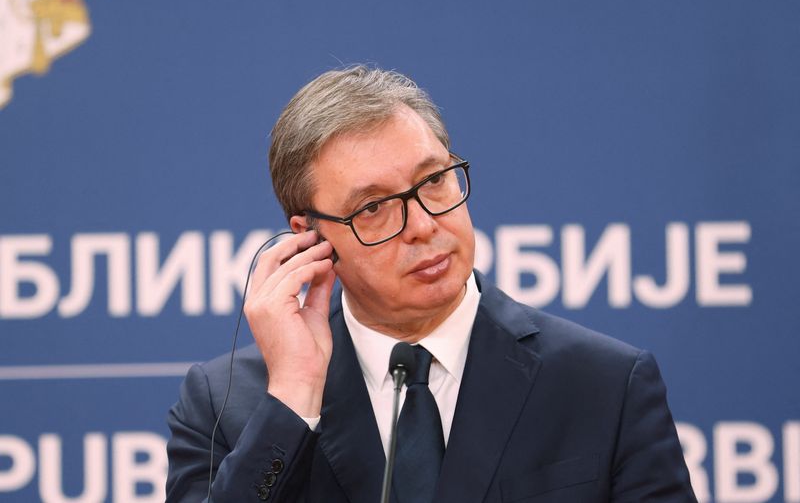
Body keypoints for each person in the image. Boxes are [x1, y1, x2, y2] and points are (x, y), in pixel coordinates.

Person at [166, 65, 697, 502]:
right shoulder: (226, 405)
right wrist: (294, 399)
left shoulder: (604, 384)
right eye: (373, 208)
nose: (424, 225)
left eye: (434, 180)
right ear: (309, 238)